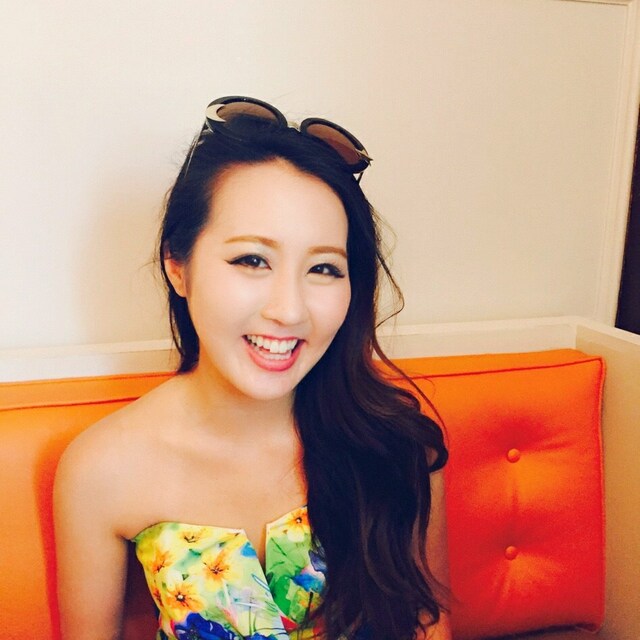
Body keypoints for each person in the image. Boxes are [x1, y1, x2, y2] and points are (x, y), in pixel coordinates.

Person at [54, 96, 451, 640]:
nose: (289, 310)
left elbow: (429, 623)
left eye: (324, 268)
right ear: (178, 266)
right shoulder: (101, 469)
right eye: (252, 260)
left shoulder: (395, 443)